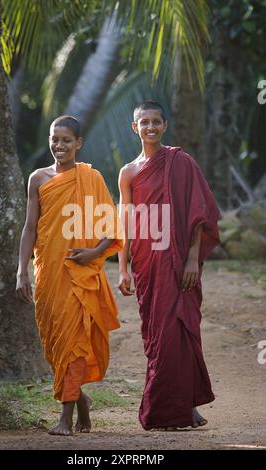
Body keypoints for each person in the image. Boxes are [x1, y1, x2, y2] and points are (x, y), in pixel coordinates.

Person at [16, 115, 123, 436]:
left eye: (66, 140)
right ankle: (81, 401)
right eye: (55, 139)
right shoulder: (37, 178)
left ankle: (65, 417)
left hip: (80, 273)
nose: (59, 146)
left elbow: (111, 228)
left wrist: (92, 253)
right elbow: (30, 227)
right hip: (48, 271)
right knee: (55, 344)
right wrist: (22, 270)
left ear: (79, 144)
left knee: (74, 342)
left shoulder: (91, 178)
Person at [118, 100, 220, 431]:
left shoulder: (181, 162)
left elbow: (199, 213)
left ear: (165, 126)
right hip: (147, 261)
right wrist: (122, 268)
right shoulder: (129, 172)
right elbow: (126, 222)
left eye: (155, 122)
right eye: (143, 122)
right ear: (135, 128)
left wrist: (193, 258)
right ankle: (174, 406)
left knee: (183, 329)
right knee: (158, 336)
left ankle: (183, 405)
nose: (150, 127)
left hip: (178, 259)